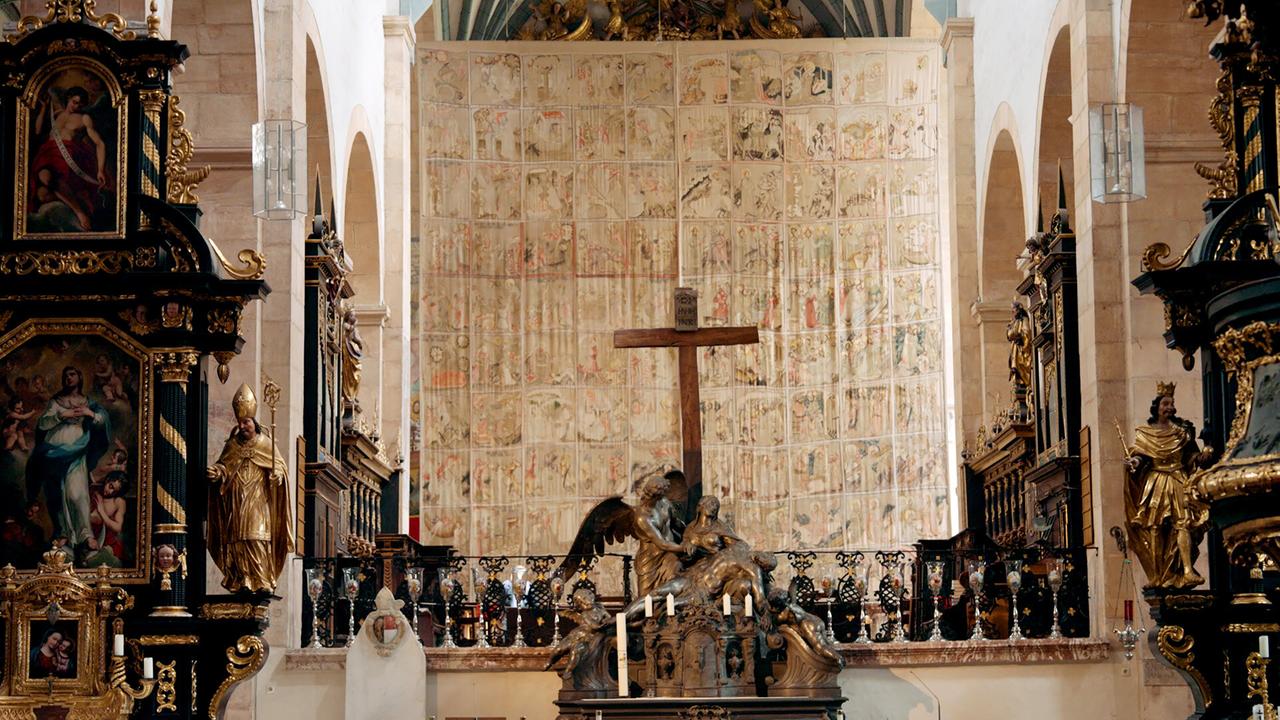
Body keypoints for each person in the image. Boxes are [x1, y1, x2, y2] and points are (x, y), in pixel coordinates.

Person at [1124, 383, 1214, 589]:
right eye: (1165, 403)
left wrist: (1203, 456)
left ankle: (1188, 570)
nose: (1169, 407)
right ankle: (1157, 574)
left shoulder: (1182, 432)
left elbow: (1191, 456)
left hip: (1178, 479)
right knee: (1155, 527)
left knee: (1182, 523)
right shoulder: (1145, 433)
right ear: (1156, 407)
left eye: (1171, 404)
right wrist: (1135, 463)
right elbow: (1140, 457)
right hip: (1155, 481)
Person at [206, 384, 292, 593]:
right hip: (236, 499)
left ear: (254, 422)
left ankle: (261, 579)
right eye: (240, 422)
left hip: (258, 499)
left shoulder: (265, 444)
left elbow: (280, 467)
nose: (243, 426)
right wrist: (217, 472)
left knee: (257, 537)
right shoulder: (232, 445)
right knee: (238, 540)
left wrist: (277, 476)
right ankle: (243, 578)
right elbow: (224, 466)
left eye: (246, 422)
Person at [25, 366, 110, 558]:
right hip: (53, 454)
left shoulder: (88, 402)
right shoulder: (56, 402)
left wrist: (90, 414)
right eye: (65, 376)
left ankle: (85, 535)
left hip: (76, 451)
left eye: (72, 374)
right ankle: (62, 532)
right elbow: (43, 423)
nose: (68, 378)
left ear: (79, 377)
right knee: (57, 494)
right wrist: (61, 415)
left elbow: (102, 420)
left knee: (76, 494)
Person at [30, 86, 110, 232]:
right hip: (47, 154)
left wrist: (100, 170)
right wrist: (43, 108)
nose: (77, 106)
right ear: (68, 99)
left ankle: (79, 212)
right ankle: (77, 200)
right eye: (74, 102)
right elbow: (37, 130)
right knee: (42, 196)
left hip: (67, 158)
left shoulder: (84, 118)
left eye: (80, 104)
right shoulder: (56, 114)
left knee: (47, 179)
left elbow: (100, 143)